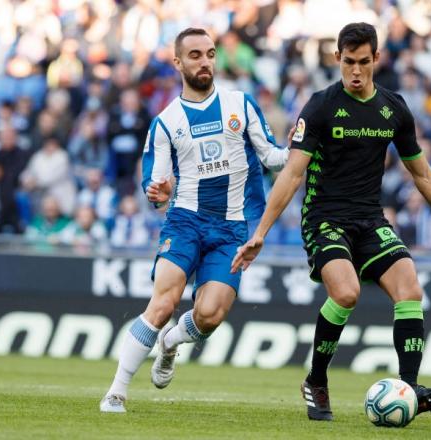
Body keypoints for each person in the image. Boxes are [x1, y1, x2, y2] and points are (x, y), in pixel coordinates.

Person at [231, 22, 431, 421]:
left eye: (363, 62)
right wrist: (261, 232)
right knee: (347, 293)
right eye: (348, 62)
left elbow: (422, 173)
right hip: (324, 219)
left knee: (410, 289)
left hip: (370, 219)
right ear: (337, 58)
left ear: (376, 60)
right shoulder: (320, 106)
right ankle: (316, 379)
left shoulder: (394, 108)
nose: (355, 71)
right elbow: (292, 173)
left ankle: (409, 387)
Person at [99, 27, 289, 413]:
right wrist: (159, 194)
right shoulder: (166, 123)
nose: (205, 62)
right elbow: (156, 186)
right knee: (163, 302)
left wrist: (305, 147)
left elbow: (272, 158)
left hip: (232, 228)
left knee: (209, 315)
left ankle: (170, 344)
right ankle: (116, 391)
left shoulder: (241, 104)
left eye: (210, 54)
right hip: (185, 221)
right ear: (178, 63)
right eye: (196, 55)